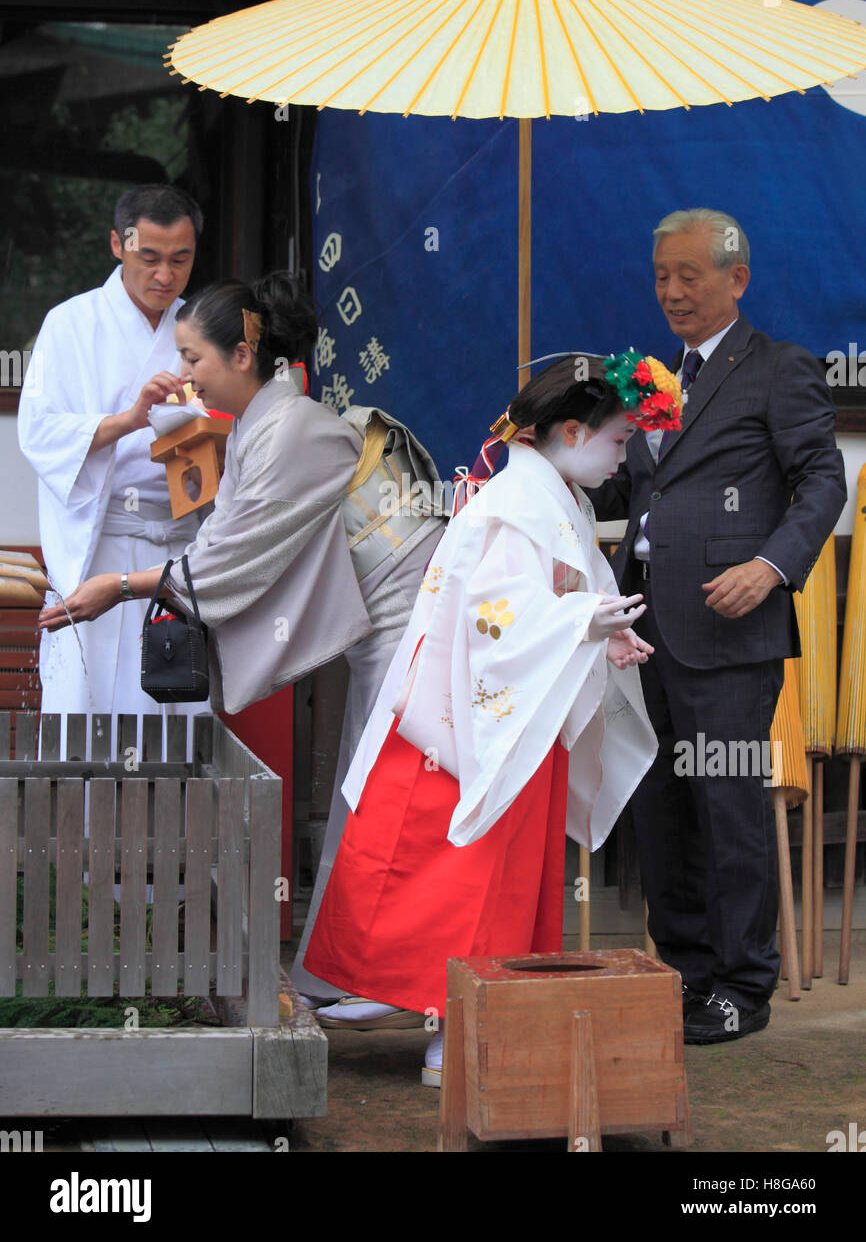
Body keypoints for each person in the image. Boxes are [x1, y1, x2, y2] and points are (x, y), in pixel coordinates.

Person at [38, 273, 448, 1001]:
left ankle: (389, 980)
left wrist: (120, 586)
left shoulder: (293, 431)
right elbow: (227, 541)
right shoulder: (271, 424)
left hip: (417, 619)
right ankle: (345, 975)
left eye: (194, 357)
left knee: (387, 793)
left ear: (241, 356)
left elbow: (227, 562)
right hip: (386, 623)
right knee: (368, 787)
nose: (185, 372)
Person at [303, 353, 676, 1083]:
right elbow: (495, 620)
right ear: (572, 431)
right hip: (466, 721)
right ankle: (444, 1021)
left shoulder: (550, 493)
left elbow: (566, 593)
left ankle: (469, 1017)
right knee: (456, 876)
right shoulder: (519, 503)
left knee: (478, 879)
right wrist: (583, 621)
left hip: (511, 707)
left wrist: (601, 629)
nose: (623, 454)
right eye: (618, 440)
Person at [587, 208, 848, 1045]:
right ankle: (686, 973)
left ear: (737, 277)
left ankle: (743, 984)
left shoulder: (778, 369)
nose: (671, 291)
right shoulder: (654, 380)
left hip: (731, 634)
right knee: (659, 808)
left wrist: (770, 566)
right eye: (662, 274)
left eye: (688, 275)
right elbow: (628, 492)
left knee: (728, 808)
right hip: (644, 631)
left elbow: (820, 483)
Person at [18, 184, 207, 757]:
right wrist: (131, 419)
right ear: (116, 245)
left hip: (175, 543)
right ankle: (81, 843)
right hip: (99, 543)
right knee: (88, 703)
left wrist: (197, 435)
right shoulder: (68, 325)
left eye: (181, 258)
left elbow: (228, 442)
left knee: (173, 705)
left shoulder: (200, 331)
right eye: (149, 256)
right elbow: (40, 433)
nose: (165, 275)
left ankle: (176, 843)